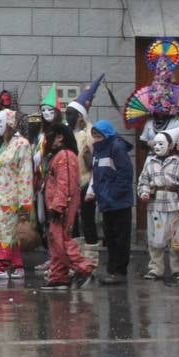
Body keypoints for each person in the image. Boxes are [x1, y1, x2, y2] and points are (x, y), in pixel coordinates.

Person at [41, 125, 96, 290]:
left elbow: (66, 184)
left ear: (60, 137)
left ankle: (84, 269)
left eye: (50, 136)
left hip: (61, 206)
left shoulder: (65, 156)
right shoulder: (60, 156)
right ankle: (59, 276)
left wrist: (58, 207)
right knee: (55, 240)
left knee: (61, 241)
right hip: (58, 205)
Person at [0, 109, 33, 281]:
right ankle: (17, 266)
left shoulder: (22, 144)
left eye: (0, 123)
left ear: (9, 123)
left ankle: (2, 267)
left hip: (11, 197)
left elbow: (25, 173)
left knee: (4, 232)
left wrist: (25, 201)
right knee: (10, 232)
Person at [137, 125, 179, 282]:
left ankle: (178, 269)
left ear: (170, 146)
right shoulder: (149, 162)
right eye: (155, 144)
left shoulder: (178, 164)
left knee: (176, 238)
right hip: (155, 205)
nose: (157, 147)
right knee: (155, 238)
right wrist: (144, 192)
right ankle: (156, 268)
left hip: (174, 205)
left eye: (161, 144)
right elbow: (143, 181)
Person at [87, 119, 136, 285]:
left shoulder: (116, 147)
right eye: (93, 135)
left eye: (98, 135)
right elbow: (98, 175)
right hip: (106, 201)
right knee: (111, 237)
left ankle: (119, 271)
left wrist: (112, 195)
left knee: (121, 238)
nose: (95, 138)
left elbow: (125, 174)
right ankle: (112, 270)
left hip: (118, 202)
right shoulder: (98, 150)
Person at [64, 75, 104, 262]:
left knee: (87, 221)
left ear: (80, 116)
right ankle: (76, 257)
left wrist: (92, 187)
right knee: (72, 222)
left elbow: (95, 162)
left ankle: (91, 258)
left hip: (86, 183)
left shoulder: (90, 133)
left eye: (71, 114)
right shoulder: (68, 133)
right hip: (70, 185)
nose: (67, 117)